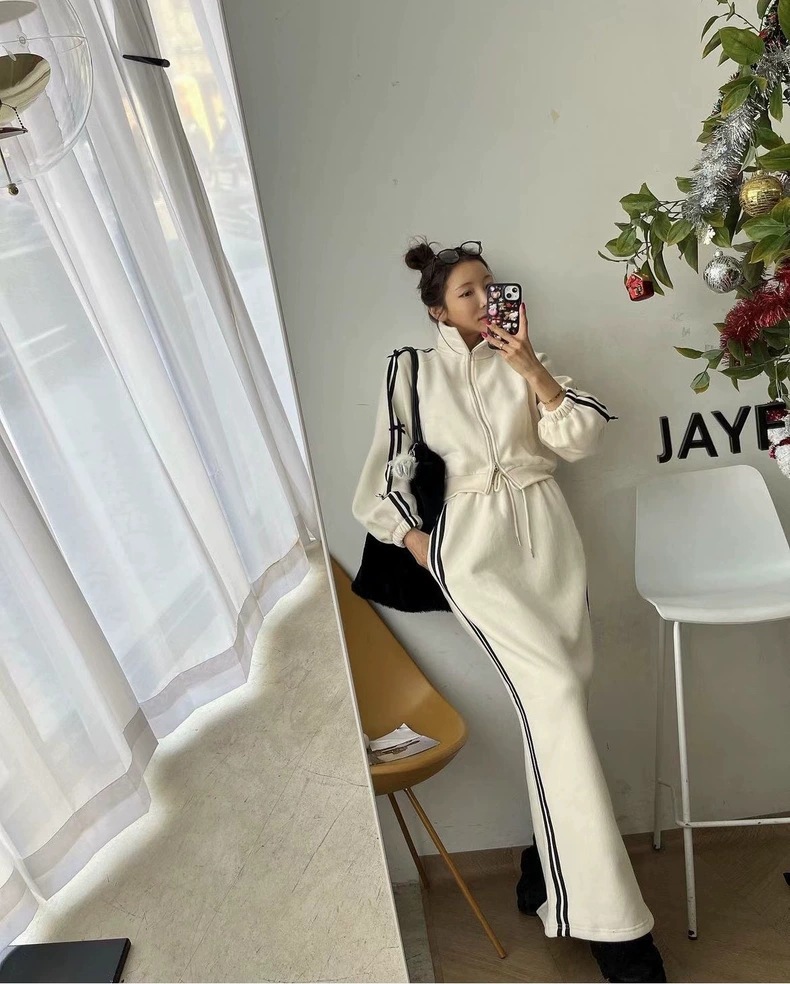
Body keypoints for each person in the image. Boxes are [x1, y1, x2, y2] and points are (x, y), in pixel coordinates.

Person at [351, 238, 666, 983]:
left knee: (561, 707)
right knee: (553, 696)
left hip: (551, 540)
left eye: (489, 286)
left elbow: (581, 439)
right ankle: (615, 930)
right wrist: (421, 543)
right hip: (474, 551)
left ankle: (542, 866)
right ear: (438, 310)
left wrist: (529, 367)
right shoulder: (412, 368)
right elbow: (382, 478)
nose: (484, 299)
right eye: (466, 292)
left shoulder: (528, 358)